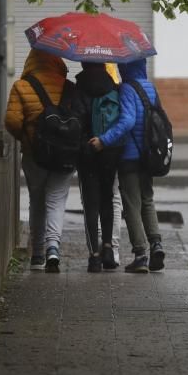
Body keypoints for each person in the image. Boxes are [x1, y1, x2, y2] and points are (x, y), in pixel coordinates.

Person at [4, 49, 75, 272]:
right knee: (56, 200)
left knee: (37, 200)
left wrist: (26, 137)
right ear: (57, 61)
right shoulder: (69, 87)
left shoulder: (21, 86)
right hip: (64, 154)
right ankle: (53, 247)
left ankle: (37, 254)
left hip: (35, 154)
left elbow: (12, 121)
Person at [91, 58, 164, 274]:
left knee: (132, 204)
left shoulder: (126, 89)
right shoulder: (151, 87)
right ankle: (156, 243)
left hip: (130, 156)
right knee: (147, 200)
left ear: (125, 67)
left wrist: (104, 139)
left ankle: (140, 255)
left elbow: (128, 121)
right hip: (149, 155)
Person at [73, 62, 123, 272]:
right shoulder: (114, 87)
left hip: (86, 153)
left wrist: (83, 144)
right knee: (107, 200)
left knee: (91, 204)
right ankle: (109, 248)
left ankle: (94, 256)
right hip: (109, 150)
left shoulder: (78, 88)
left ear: (83, 63)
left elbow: (75, 122)